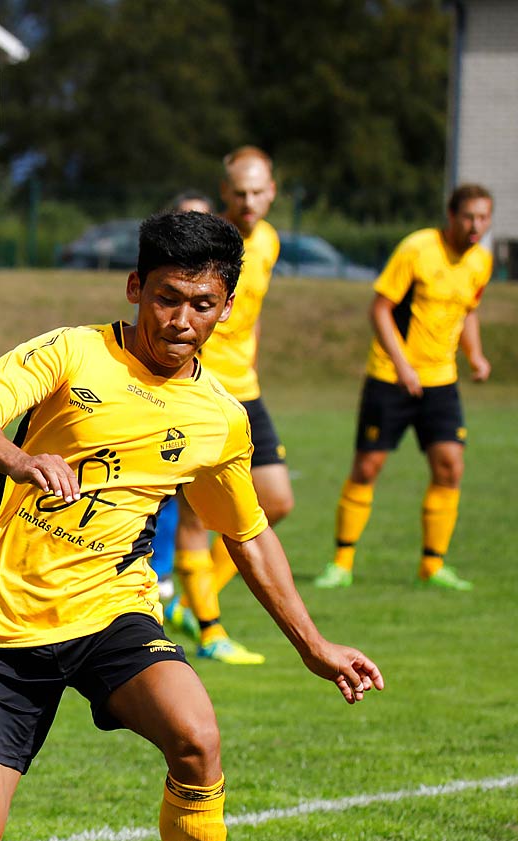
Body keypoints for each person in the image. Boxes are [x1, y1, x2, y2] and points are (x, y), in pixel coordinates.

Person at [0, 211, 383, 841]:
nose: (182, 321)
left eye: (204, 304)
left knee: (197, 736)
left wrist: (312, 644)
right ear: (137, 287)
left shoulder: (218, 417)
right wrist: (21, 457)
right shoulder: (71, 352)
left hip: (115, 609)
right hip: (3, 627)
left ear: (226, 305)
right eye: (169, 298)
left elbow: (247, 536)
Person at [315, 184, 495, 591]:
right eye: (468, 217)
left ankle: (433, 565)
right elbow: (379, 308)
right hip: (390, 378)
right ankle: (341, 562)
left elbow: (468, 312)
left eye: (483, 218)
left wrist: (476, 356)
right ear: (451, 215)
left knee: (451, 466)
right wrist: (403, 367)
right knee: (368, 467)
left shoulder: (480, 262)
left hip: (441, 381)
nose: (475, 226)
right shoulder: (417, 249)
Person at [165, 148, 290, 665]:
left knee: (276, 501)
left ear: (273, 191)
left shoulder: (271, 242)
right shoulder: (209, 246)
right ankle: (211, 631)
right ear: (225, 192)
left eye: (258, 191)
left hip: (248, 390)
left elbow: (252, 310)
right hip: (206, 390)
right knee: (198, 519)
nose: (249, 201)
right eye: (239, 192)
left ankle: (195, 601)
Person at [146, 190, 213, 603]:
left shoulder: (225, 273)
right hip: (165, 395)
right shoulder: (161, 286)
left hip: (219, 397)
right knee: (167, 492)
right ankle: (168, 583)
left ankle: (193, 598)